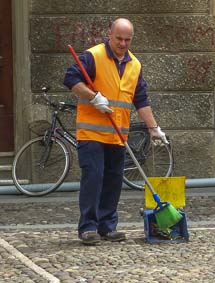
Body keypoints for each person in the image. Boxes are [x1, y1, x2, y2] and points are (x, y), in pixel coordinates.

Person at [64, 18, 168, 245]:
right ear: (109, 34)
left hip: (118, 134)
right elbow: (70, 78)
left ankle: (107, 227)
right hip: (91, 134)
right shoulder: (93, 56)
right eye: (119, 38)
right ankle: (88, 228)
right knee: (94, 178)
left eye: (127, 39)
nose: (122, 43)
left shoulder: (135, 65)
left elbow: (140, 99)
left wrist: (154, 128)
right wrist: (93, 97)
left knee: (113, 180)